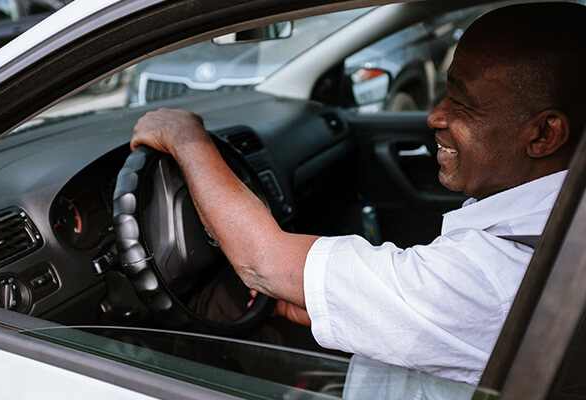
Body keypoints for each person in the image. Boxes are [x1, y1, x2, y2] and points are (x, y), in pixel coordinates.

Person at [130, 2, 586, 385]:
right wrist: (339, 305)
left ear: (545, 134)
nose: (434, 117)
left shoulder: (492, 277)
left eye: (462, 104)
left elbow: (260, 262)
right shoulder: (556, 230)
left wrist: (185, 139)